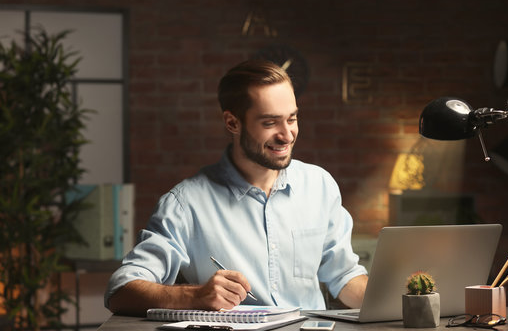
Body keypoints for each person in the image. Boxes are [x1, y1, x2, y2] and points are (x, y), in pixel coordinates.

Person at [105, 59, 368, 316]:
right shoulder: (185, 204)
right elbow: (120, 290)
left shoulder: (319, 185)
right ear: (232, 123)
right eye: (269, 123)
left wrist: (403, 295)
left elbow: (343, 277)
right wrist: (195, 296)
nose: (287, 135)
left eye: (292, 119)